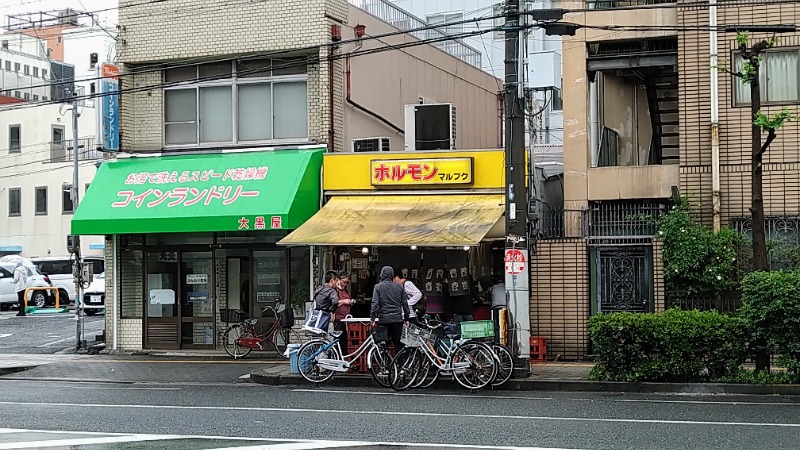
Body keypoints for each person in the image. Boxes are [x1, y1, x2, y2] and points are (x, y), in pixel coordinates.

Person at [370, 266, 409, 349]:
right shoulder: (399, 287)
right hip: (397, 319)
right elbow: (405, 304)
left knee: (383, 344)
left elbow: (375, 304)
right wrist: (406, 318)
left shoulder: (378, 287)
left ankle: (385, 361)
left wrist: (373, 318)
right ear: (392, 275)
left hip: (384, 320)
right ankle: (400, 361)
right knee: (398, 343)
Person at [333, 271, 356, 353]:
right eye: (344, 282)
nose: (345, 284)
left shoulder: (345, 291)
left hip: (345, 321)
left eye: (347, 282)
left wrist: (350, 302)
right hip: (338, 320)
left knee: (344, 343)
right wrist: (344, 301)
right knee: (337, 342)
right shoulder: (334, 291)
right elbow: (333, 303)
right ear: (338, 280)